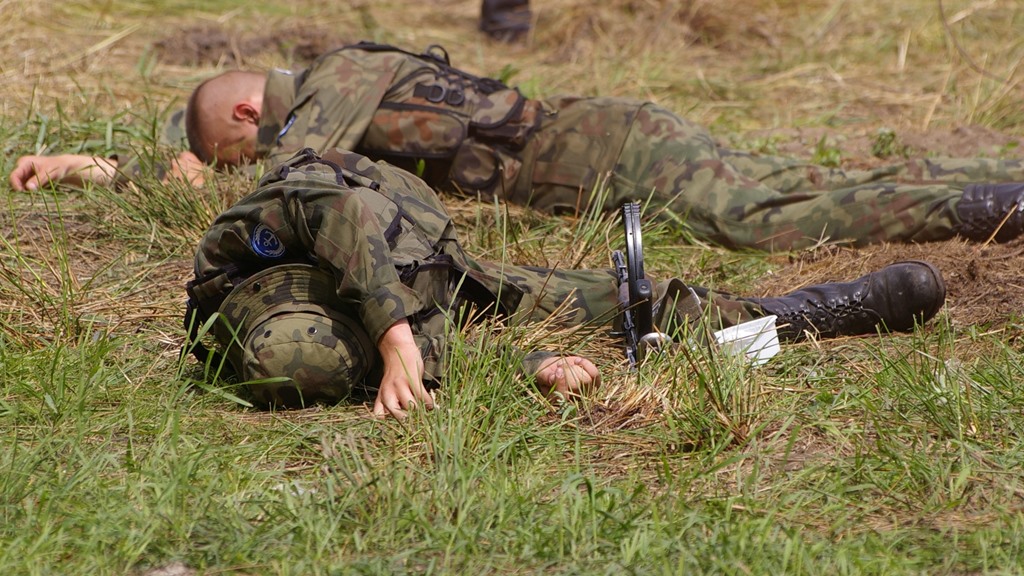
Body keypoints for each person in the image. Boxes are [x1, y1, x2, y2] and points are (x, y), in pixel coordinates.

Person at [14, 42, 1024, 251]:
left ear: (246, 118)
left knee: (750, 219)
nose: (245, 165)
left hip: (596, 150)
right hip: (602, 142)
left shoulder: (333, 82)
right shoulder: (339, 87)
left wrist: (183, 190)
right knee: (797, 182)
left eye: (233, 156)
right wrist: (98, 170)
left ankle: (973, 209)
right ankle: (994, 190)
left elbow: (302, 176)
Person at [186, 146, 946, 418]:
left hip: (414, 248)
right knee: (632, 318)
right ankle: (805, 318)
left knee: (631, 299)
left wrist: (392, 338)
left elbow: (344, 212)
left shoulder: (241, 249)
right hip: (429, 279)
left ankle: (799, 308)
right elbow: (426, 363)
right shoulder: (303, 359)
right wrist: (530, 367)